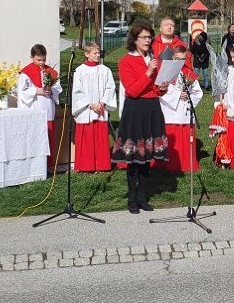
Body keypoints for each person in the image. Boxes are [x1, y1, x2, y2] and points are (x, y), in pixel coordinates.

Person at [111, 24, 169, 214]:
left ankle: (143, 197)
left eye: (149, 37)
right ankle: (132, 198)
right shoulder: (126, 61)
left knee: (147, 157)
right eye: (143, 37)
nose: (147, 40)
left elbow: (156, 89)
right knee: (135, 157)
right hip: (135, 111)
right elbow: (133, 91)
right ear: (134, 40)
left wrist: (162, 87)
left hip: (152, 110)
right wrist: (148, 72)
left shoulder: (153, 60)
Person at [155, 46, 204, 172]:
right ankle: (167, 164)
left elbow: (198, 92)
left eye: (182, 59)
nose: (179, 62)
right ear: (172, 57)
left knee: (185, 139)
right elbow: (160, 91)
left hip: (184, 110)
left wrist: (188, 98)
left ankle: (186, 163)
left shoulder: (188, 73)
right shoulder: (166, 71)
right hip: (170, 111)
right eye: (177, 59)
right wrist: (177, 95)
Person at [71, 41, 116, 172]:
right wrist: (90, 105)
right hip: (86, 110)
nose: (98, 55)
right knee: (87, 139)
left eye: (98, 53)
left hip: (100, 109)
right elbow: (77, 91)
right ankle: (86, 166)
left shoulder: (105, 70)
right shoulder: (80, 71)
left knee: (100, 138)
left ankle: (102, 165)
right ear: (87, 54)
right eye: (95, 53)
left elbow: (110, 88)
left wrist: (103, 102)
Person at [17, 44, 64, 169]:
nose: (42, 63)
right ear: (32, 57)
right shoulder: (26, 73)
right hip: (34, 106)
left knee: (49, 136)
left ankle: (48, 165)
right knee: (35, 137)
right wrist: (37, 91)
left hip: (47, 107)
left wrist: (51, 90)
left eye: (44, 59)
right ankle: (35, 167)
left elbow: (58, 88)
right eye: (39, 60)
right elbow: (22, 91)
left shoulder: (51, 72)